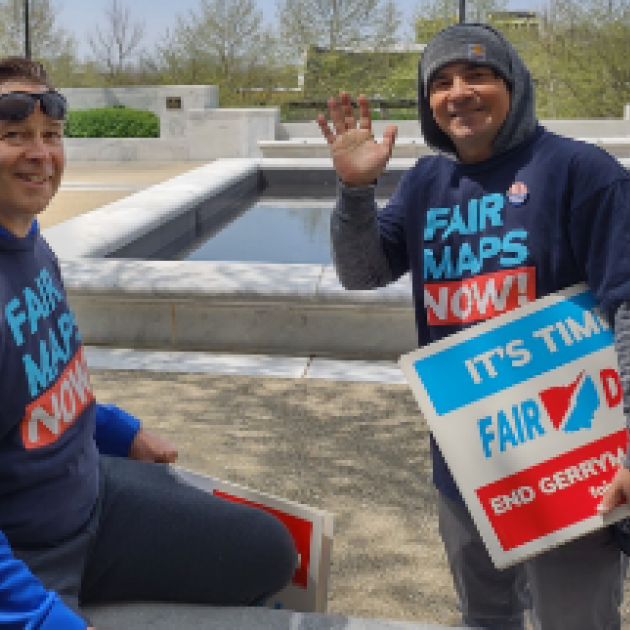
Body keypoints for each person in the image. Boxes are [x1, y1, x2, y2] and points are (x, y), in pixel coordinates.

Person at [317, 22, 630, 630]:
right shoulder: (427, 182)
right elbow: (363, 272)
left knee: (576, 620)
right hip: (467, 455)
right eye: (441, 82)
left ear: (513, 85)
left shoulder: (583, 172)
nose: (459, 92)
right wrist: (356, 193)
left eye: (478, 75)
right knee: (485, 616)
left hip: (573, 452)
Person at [0, 57, 297, 630]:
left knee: (269, 552)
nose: (41, 154)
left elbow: (53, 381)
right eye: (15, 137)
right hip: (28, 554)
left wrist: (121, 431)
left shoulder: (32, 246)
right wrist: (45, 619)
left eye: (52, 136)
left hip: (93, 498)